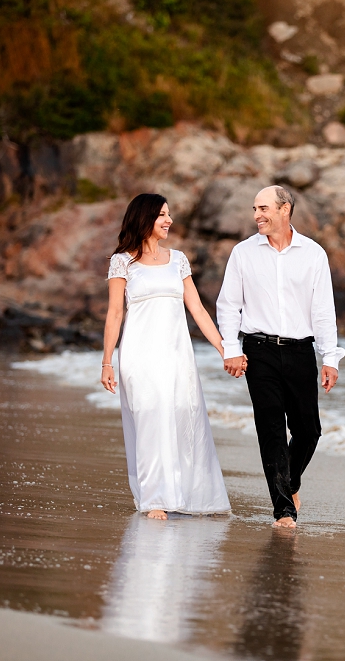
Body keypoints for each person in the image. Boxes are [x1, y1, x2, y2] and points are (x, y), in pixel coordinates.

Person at [216, 185, 345, 529]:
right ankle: (284, 511)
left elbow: (323, 311)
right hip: (258, 351)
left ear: (285, 209)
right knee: (270, 429)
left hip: (301, 351)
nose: (257, 215)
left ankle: (291, 482)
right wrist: (231, 348)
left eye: (264, 208)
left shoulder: (313, 254)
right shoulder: (243, 253)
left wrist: (330, 357)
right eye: (254, 209)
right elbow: (228, 305)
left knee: (309, 430)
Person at [100, 193, 234, 519]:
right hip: (138, 355)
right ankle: (154, 498)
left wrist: (225, 348)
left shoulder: (178, 260)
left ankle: (188, 494)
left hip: (177, 356)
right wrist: (107, 362)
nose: (168, 220)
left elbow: (199, 311)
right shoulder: (122, 262)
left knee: (180, 416)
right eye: (162, 214)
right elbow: (115, 314)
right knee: (149, 419)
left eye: (169, 214)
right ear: (145, 218)